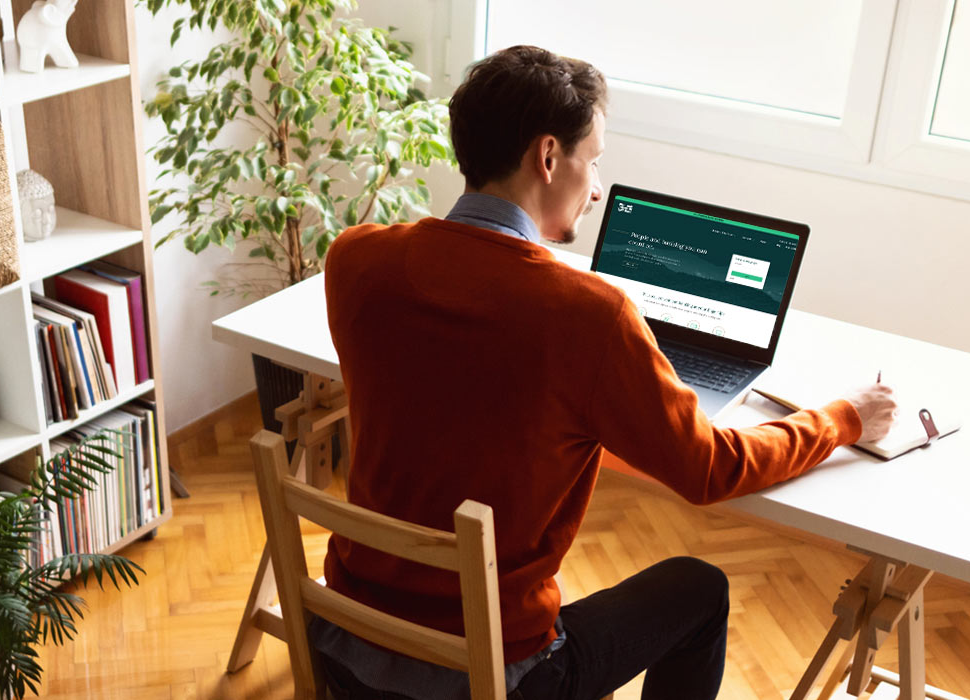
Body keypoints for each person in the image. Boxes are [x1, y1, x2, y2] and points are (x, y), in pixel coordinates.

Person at [312, 45, 899, 700]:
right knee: (699, 589)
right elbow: (711, 469)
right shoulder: (588, 316)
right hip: (496, 675)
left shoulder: (356, 260)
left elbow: (450, 381)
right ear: (547, 157)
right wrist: (845, 416)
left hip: (347, 646)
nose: (596, 187)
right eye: (592, 161)